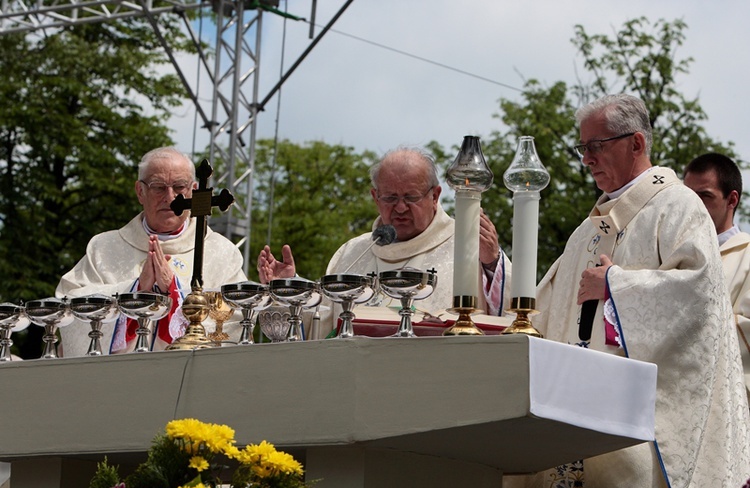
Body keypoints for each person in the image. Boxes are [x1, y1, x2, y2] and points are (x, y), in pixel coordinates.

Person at [507, 95, 750, 488]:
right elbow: (547, 310)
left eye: (595, 146)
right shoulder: (587, 231)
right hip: (574, 414)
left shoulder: (677, 205)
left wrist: (616, 285)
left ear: (636, 143)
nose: (586, 158)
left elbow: (699, 298)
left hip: (638, 427)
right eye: (582, 148)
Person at [257, 147, 511, 339]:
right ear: (375, 198)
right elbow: (321, 326)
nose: (400, 208)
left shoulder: (469, 245)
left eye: (410, 197)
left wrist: (490, 263)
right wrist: (289, 288)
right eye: (390, 197)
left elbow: (508, 313)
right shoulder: (352, 254)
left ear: (434, 196)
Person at [56, 147, 247, 355]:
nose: (170, 197)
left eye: (179, 187)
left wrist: (174, 290)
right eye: (158, 187)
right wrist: (135, 290)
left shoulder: (221, 253)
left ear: (193, 190)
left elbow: (235, 323)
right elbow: (67, 306)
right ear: (140, 191)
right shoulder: (103, 248)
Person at [683, 152, 750, 402]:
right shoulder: (673, 256)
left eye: (705, 196)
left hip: (729, 402)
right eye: (688, 196)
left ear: (732, 199)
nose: (694, 206)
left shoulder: (747, 255)